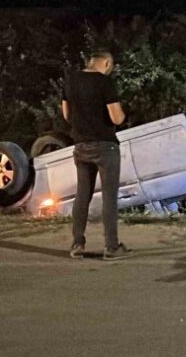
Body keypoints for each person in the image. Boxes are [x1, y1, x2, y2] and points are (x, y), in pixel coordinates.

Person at [62, 51, 132, 260]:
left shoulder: (70, 80)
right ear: (107, 62)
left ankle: (78, 243)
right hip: (105, 146)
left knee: (82, 194)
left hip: (81, 146)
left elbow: (66, 115)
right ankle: (111, 247)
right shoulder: (104, 83)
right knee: (109, 197)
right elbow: (117, 117)